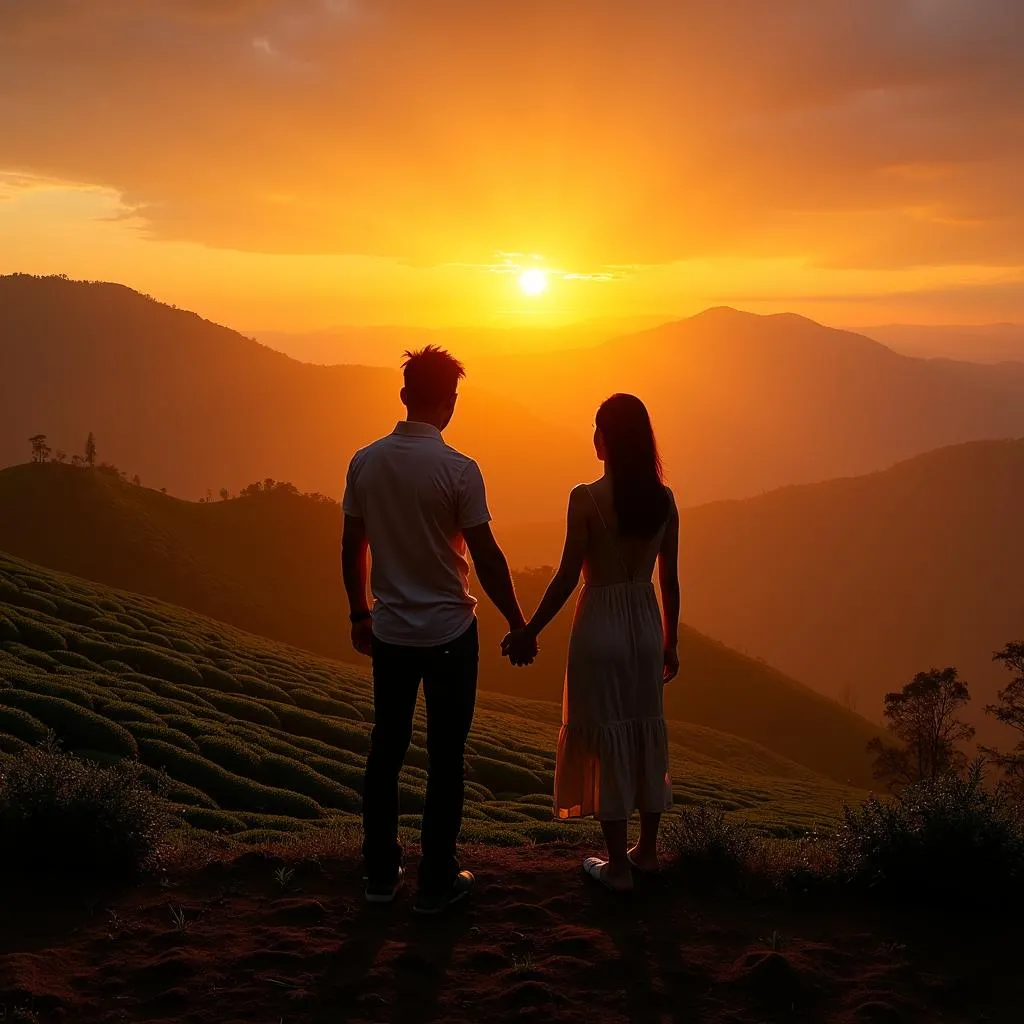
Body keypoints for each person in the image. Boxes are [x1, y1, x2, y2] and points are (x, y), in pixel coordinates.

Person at [342, 345, 536, 914]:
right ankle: (436, 881)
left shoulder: (365, 462)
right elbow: (487, 555)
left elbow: (353, 545)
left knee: (387, 749)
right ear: (450, 402)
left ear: (404, 396)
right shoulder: (459, 470)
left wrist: (360, 613)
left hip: (392, 632)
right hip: (452, 634)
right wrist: (518, 622)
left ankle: (379, 875)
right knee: (446, 756)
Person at [504, 393, 680, 891]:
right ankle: (646, 852)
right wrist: (670, 642)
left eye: (597, 428)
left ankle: (616, 867)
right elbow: (671, 582)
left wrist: (528, 630)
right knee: (645, 729)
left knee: (603, 736)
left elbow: (564, 578)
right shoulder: (664, 500)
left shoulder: (585, 498)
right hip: (645, 625)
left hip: (598, 625)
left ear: (607, 439)